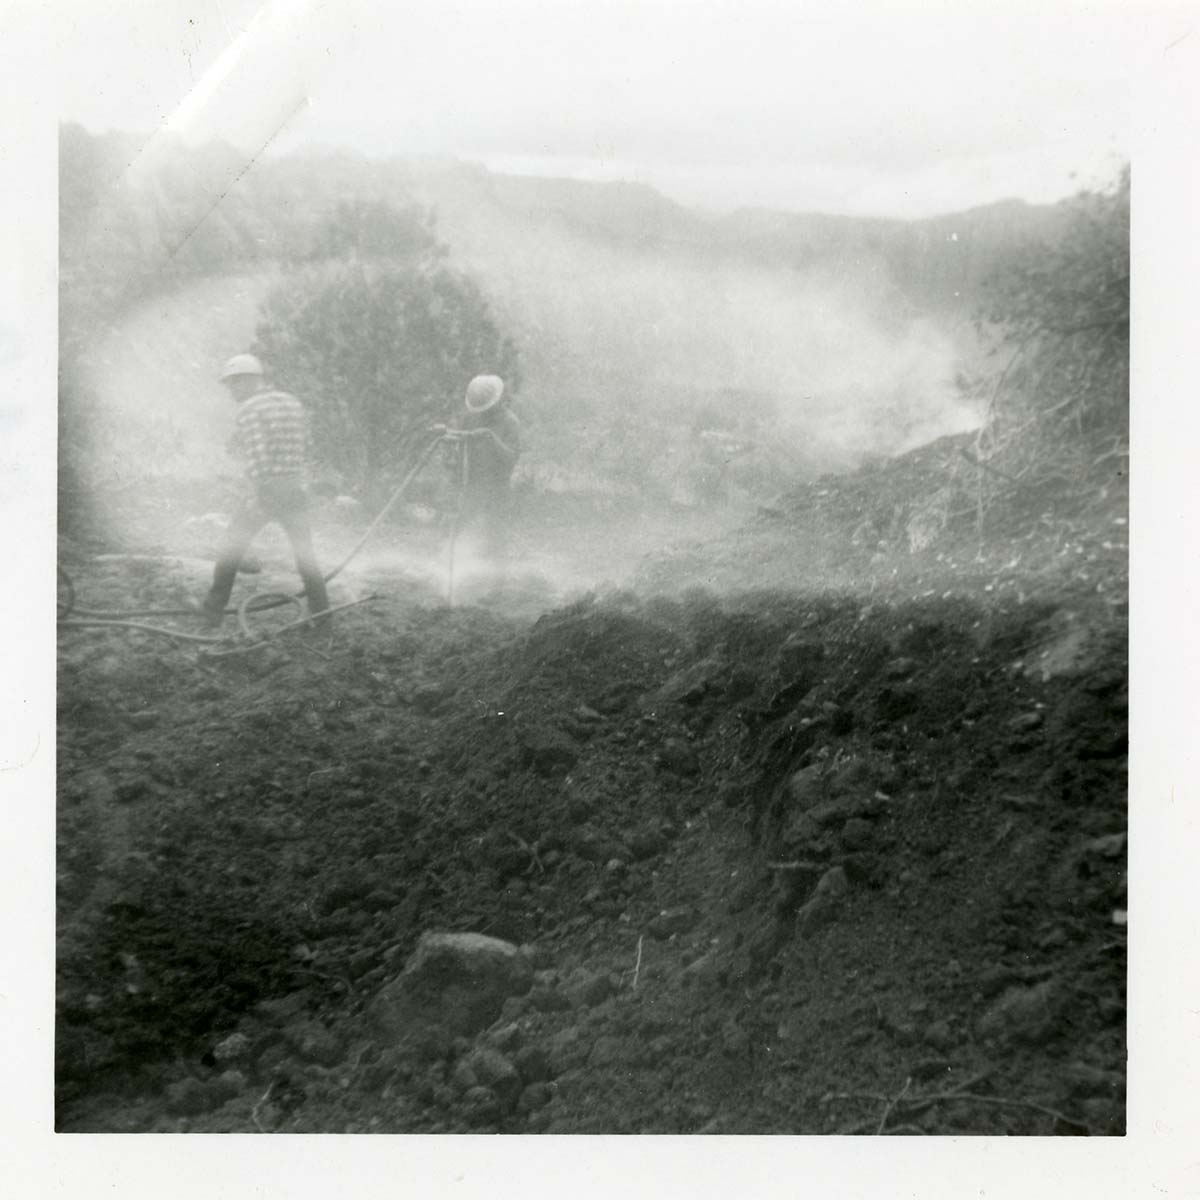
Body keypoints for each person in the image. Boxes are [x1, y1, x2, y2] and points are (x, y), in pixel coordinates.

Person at [198, 354, 329, 627]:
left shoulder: (249, 410)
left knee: (230, 549)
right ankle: (323, 617)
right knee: (306, 556)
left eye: (234, 384)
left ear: (248, 381)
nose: (232, 391)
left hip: (270, 489)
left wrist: (259, 496)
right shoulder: (292, 403)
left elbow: (259, 458)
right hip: (295, 487)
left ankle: (212, 613)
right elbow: (305, 446)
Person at [449, 374, 521, 566]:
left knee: (495, 535)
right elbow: (459, 441)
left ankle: (499, 578)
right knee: (461, 529)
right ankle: (455, 567)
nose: (484, 412)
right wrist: (449, 435)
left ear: (497, 401)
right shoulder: (470, 418)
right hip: (472, 484)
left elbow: (511, 458)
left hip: (497, 487)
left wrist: (491, 438)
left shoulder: (510, 422)